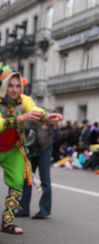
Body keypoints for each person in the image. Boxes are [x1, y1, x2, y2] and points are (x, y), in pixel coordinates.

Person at [0, 65, 62, 234]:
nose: (14, 89)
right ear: (3, 85)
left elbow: (34, 109)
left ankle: (7, 223)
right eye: (10, 85)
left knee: (17, 183)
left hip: (13, 149)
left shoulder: (24, 100)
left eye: (17, 86)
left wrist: (47, 117)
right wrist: (19, 118)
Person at [16, 121, 54, 219]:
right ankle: (23, 209)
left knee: (45, 179)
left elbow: (53, 121)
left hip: (44, 148)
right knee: (26, 179)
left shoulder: (41, 113)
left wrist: (50, 124)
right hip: (30, 149)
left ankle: (44, 210)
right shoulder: (24, 112)